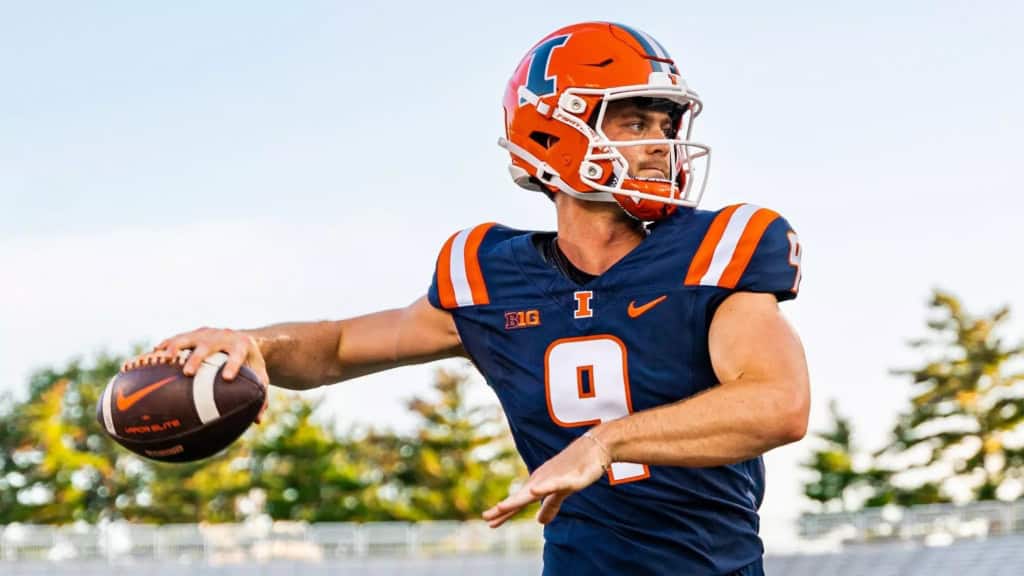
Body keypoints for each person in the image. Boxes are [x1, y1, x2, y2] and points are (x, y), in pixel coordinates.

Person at [135, 21, 809, 576]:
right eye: (634, 121)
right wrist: (252, 344)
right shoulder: (490, 274)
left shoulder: (719, 248)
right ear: (552, 133)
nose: (660, 144)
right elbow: (338, 346)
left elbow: (779, 403)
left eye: (665, 122)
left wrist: (607, 441)